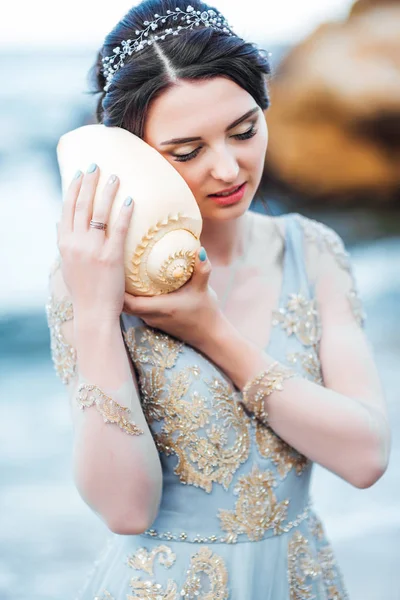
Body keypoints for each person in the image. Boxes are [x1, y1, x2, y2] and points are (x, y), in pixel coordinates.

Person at [46, 1, 391, 598]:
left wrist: (212, 333)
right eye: (187, 152)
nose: (229, 168)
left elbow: (365, 458)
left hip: (298, 579)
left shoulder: (312, 252)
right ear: (131, 154)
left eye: (245, 130)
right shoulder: (90, 280)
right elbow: (125, 509)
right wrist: (98, 316)